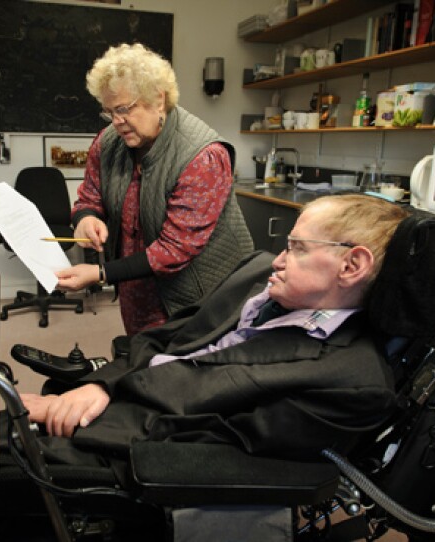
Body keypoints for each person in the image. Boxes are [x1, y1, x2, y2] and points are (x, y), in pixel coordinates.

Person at [21, 194, 411, 461]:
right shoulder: (257, 275)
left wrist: (81, 417)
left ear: (351, 266)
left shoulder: (351, 383)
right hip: (123, 393)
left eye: (298, 249)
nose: (277, 260)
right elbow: (168, 337)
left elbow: (212, 438)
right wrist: (101, 384)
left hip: (132, 445)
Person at [53, 43, 253, 336]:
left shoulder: (202, 156)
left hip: (198, 294)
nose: (117, 123)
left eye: (124, 109)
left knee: (185, 369)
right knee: (143, 360)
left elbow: (175, 249)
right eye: (109, 112)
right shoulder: (108, 143)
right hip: (138, 286)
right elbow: (89, 196)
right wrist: (85, 218)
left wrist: (101, 273)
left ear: (158, 99)